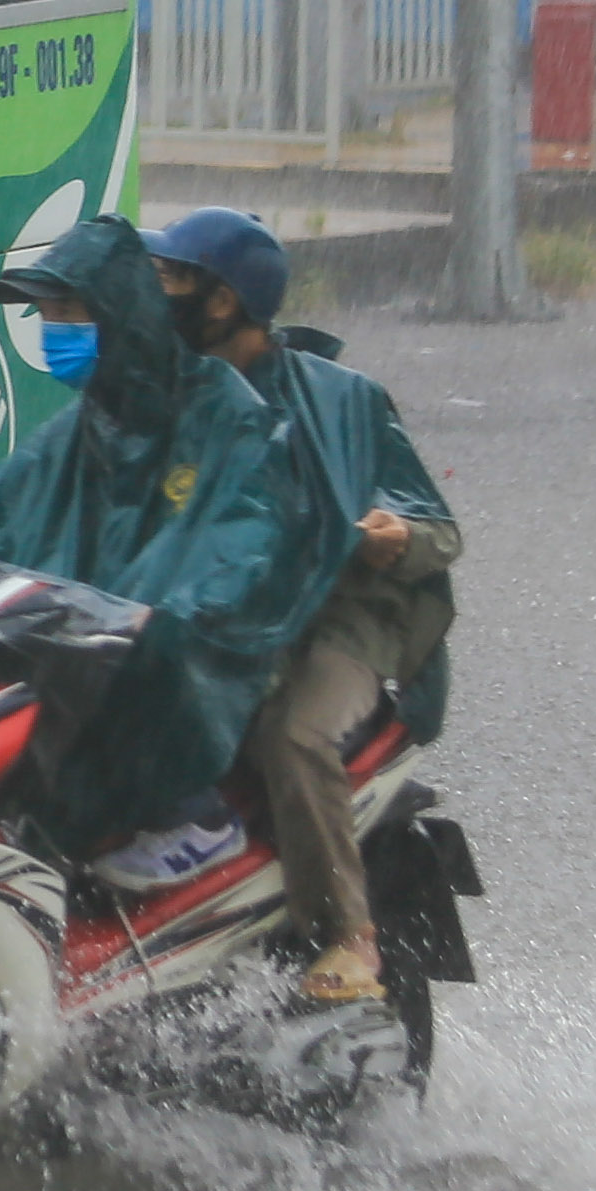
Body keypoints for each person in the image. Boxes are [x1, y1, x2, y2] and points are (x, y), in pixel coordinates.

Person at [0, 214, 352, 855]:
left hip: (190, 663)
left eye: (72, 311)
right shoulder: (80, 430)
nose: (56, 330)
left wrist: (150, 622)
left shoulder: (228, 420)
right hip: (68, 648)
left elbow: (238, 547)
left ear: (122, 313)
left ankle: (191, 816)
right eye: (46, 313)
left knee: (145, 681)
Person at [142, 207, 462, 1006]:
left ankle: (345, 934)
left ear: (220, 303)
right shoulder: (167, 396)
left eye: (171, 281)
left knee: (292, 733)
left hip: (338, 620)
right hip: (221, 617)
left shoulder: (340, 401)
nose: (155, 297)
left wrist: (394, 534)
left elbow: (435, 527)